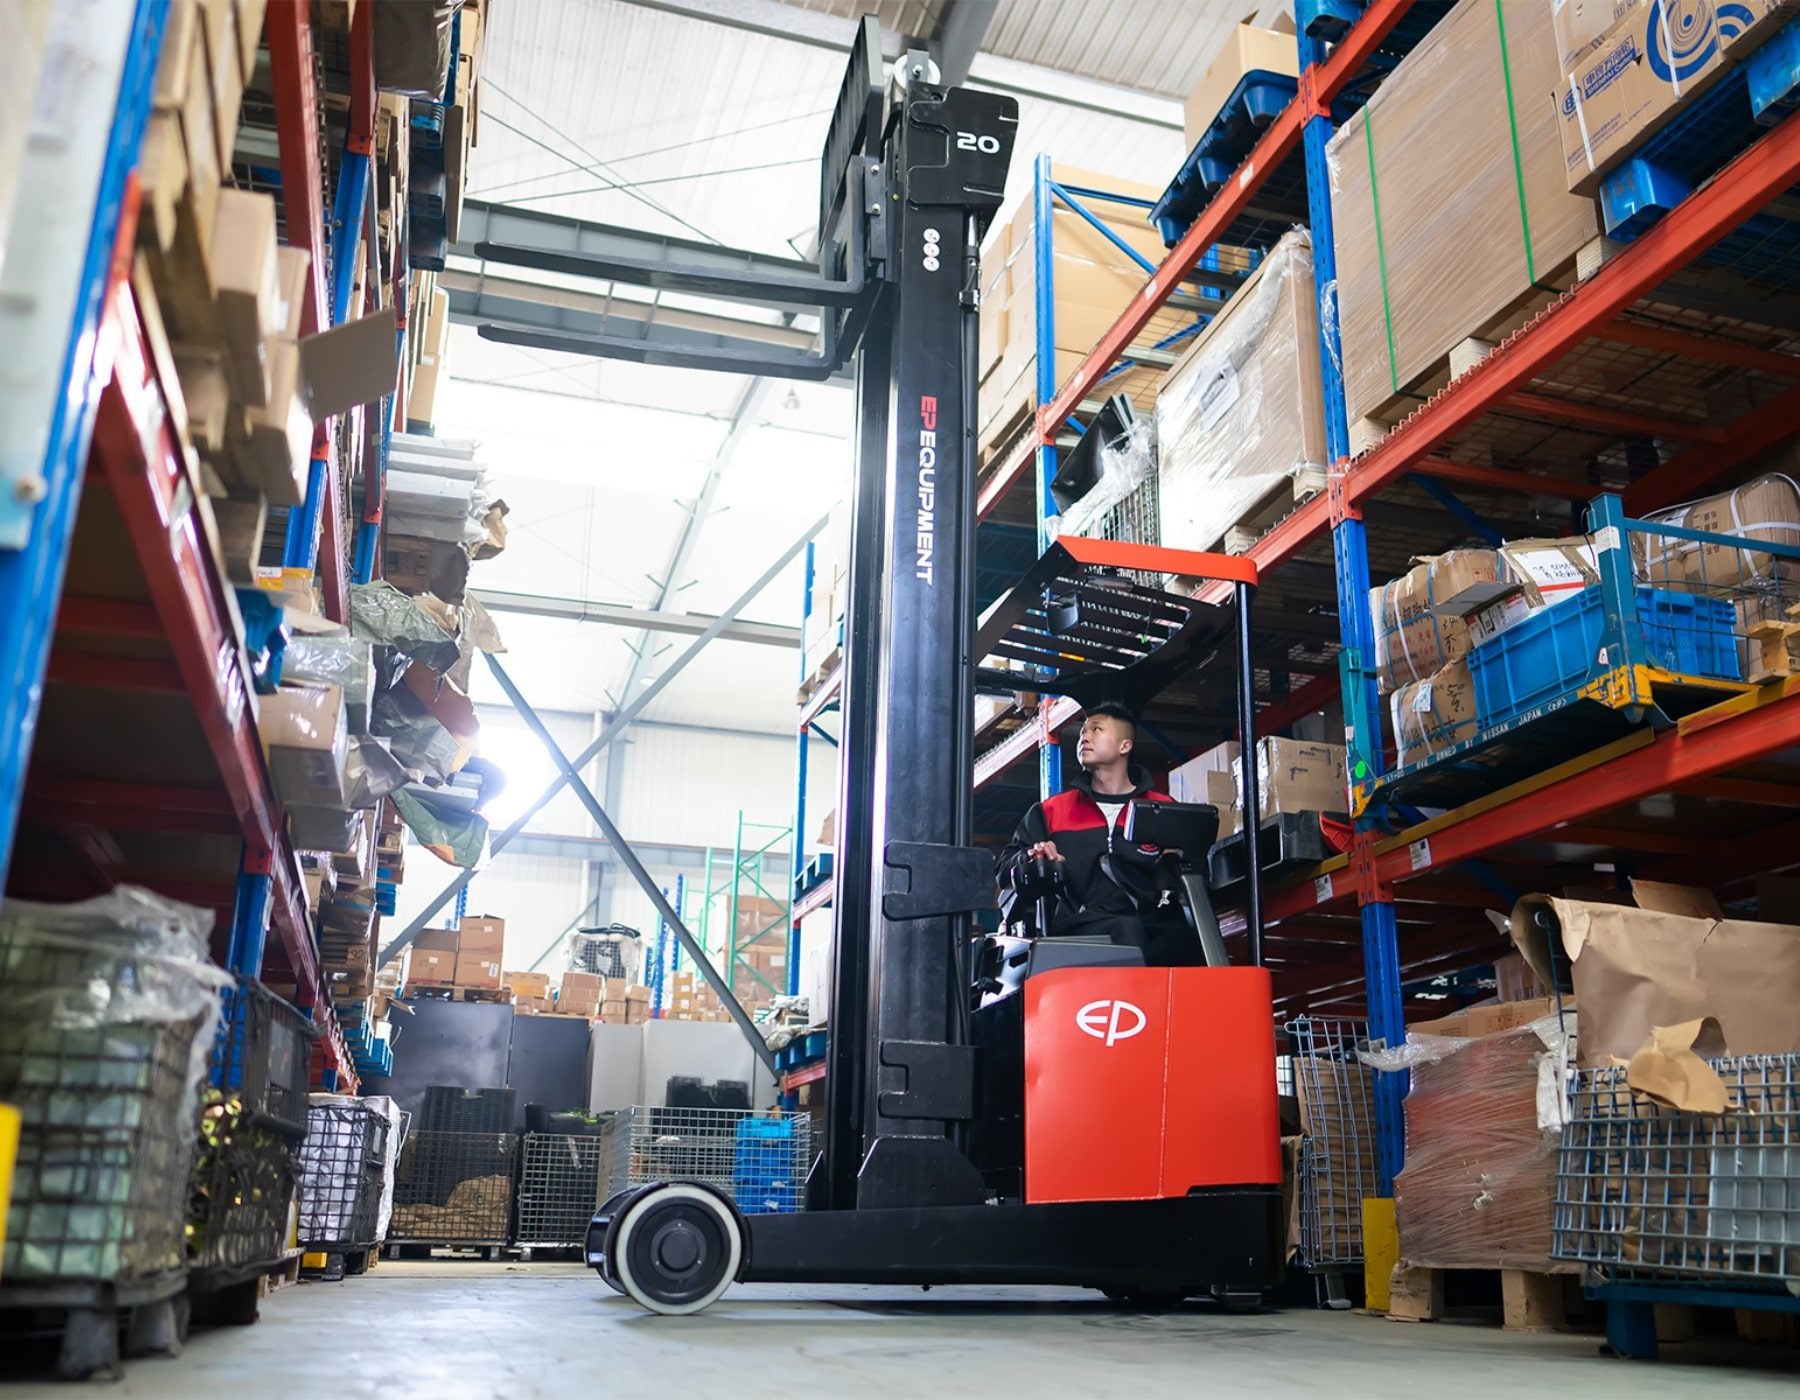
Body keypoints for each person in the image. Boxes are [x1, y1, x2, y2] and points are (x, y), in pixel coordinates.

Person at [998, 701, 1201, 966]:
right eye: (1083, 731)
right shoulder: (1051, 811)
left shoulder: (1162, 808)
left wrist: (1176, 860)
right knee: (1125, 931)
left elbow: (1196, 866)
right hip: (1080, 927)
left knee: (1187, 938)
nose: (1085, 737)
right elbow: (1004, 871)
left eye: (1096, 730)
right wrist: (1032, 855)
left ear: (1124, 746)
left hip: (1151, 922)